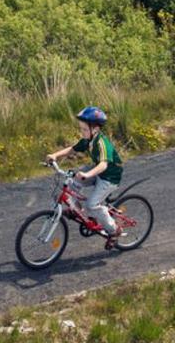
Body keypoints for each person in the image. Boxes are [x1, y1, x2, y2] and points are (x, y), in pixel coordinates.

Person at [45, 106, 124, 249]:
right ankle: (77, 210)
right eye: (81, 129)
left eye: (84, 129)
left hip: (109, 177)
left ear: (95, 129)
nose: (82, 132)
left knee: (92, 205)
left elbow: (103, 165)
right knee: (71, 182)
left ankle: (114, 230)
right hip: (98, 172)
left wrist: (87, 174)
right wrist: (55, 155)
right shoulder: (88, 139)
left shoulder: (102, 143)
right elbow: (73, 148)